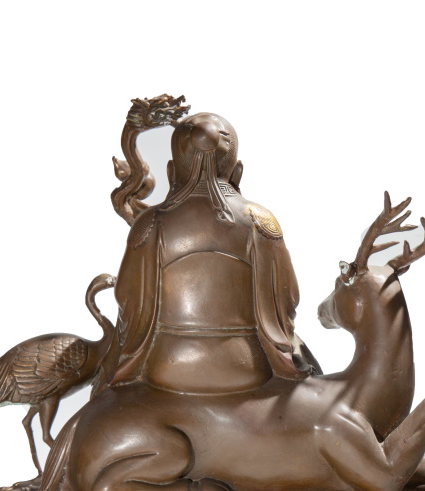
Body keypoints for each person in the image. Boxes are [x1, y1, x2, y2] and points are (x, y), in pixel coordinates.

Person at [99, 111, 320, 395]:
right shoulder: (260, 220)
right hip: (247, 366)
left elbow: (126, 298)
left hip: (166, 364)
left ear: (170, 172)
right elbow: (288, 299)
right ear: (238, 172)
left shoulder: (150, 222)